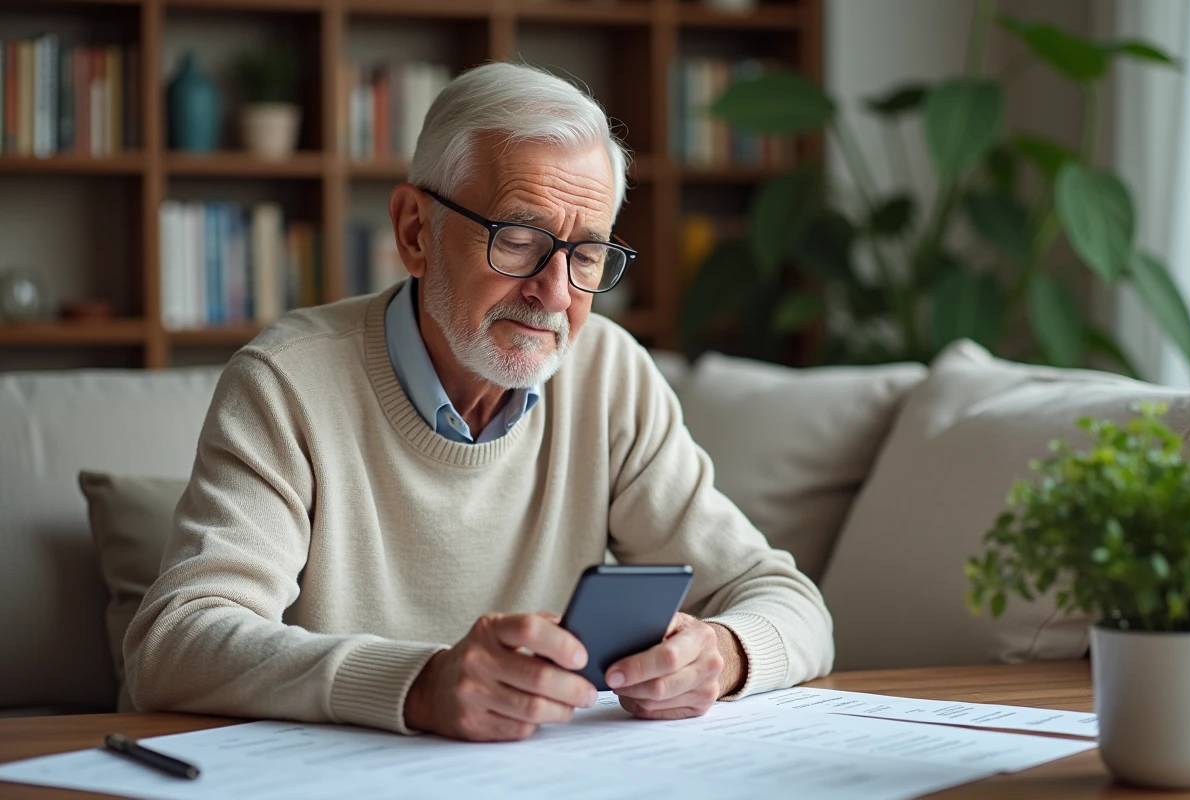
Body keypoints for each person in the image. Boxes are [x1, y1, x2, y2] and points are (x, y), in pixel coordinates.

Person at [124, 62, 833, 743]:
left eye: (585, 255)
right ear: (413, 232)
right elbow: (174, 642)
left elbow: (794, 606)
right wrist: (420, 685)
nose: (554, 293)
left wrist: (722, 652)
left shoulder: (609, 373)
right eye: (519, 240)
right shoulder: (288, 380)